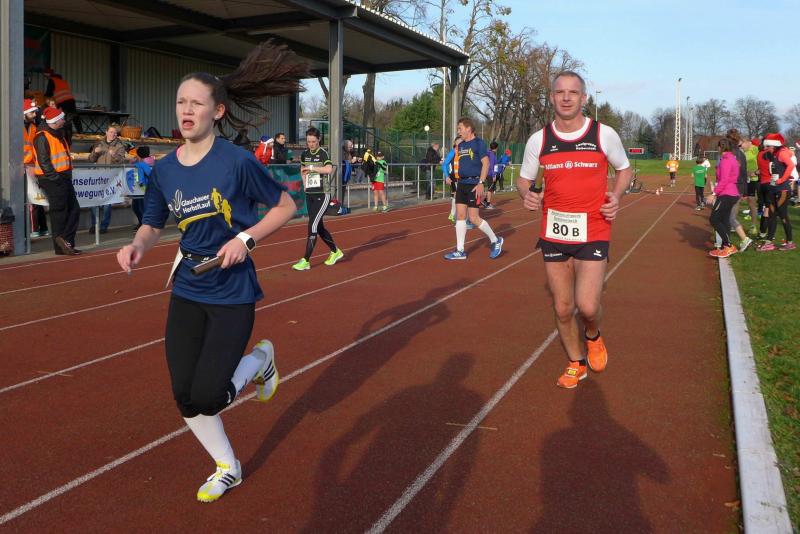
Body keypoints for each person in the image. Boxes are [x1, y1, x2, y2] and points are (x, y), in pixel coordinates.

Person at [115, 41, 306, 503]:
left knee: (209, 395)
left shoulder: (236, 161)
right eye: (181, 102)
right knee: (185, 395)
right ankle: (227, 467)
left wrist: (245, 240)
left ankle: (259, 362)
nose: (186, 110)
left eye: (196, 103)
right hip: (187, 287)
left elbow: (285, 206)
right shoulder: (164, 170)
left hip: (232, 293)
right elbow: (152, 223)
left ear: (217, 111)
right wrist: (136, 246)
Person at [517, 70, 632, 389]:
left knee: (588, 306)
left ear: (583, 98)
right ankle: (575, 362)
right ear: (551, 97)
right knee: (563, 307)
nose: (566, 98)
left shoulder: (603, 134)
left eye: (573, 92)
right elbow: (524, 180)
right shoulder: (539, 139)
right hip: (554, 232)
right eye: (560, 92)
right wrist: (527, 194)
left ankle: (592, 335)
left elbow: (624, 169)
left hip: (594, 228)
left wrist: (617, 196)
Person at [444, 117, 503, 260]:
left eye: (460, 128)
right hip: (462, 184)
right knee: (460, 216)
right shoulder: (461, 145)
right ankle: (460, 251)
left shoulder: (479, 143)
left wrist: (481, 182)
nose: (458, 131)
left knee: (474, 217)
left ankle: (495, 240)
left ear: (468, 129)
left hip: (474, 184)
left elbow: (485, 163)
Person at [291, 127, 344, 270]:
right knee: (319, 227)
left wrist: (312, 168)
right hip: (310, 195)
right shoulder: (304, 154)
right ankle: (335, 252)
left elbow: (329, 169)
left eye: (313, 141)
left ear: (319, 140)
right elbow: (302, 170)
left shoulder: (323, 153)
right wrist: (304, 184)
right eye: (308, 141)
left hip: (322, 194)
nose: (311, 144)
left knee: (312, 225)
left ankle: (305, 260)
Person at [32, 106, 81, 255]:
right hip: (52, 179)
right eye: (62, 119)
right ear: (55, 121)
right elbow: (44, 161)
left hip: (62, 177)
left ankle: (64, 243)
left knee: (73, 209)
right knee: (60, 212)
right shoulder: (42, 136)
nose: (64, 121)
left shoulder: (58, 133)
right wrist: (56, 178)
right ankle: (63, 244)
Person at [757, 133, 795, 251]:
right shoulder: (774, 154)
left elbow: (791, 165)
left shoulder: (782, 153)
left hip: (782, 190)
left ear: (774, 145)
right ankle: (769, 242)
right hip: (773, 189)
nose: (766, 148)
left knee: (782, 216)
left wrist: (782, 179)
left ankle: (790, 243)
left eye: (768, 146)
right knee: (772, 215)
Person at [88, 123, 128, 233]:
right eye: (111, 132)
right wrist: (95, 153)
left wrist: (114, 155)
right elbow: (91, 159)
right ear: (106, 132)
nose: (113, 134)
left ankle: (103, 226)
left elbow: (121, 161)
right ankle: (94, 225)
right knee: (94, 202)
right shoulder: (99, 143)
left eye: (115, 133)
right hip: (98, 177)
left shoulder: (119, 146)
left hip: (111, 178)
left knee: (107, 204)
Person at [707, 138, 742, 258]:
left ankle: (728, 245)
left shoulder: (726, 160)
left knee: (714, 219)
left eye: (718, 147)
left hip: (727, 194)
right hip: (730, 193)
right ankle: (724, 247)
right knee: (724, 220)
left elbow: (724, 180)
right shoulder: (732, 158)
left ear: (720, 147)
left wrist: (714, 193)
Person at [24, 98, 49, 238]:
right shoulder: (20, 127)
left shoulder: (33, 127)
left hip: (30, 166)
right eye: (32, 112)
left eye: (35, 112)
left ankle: (37, 229)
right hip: (23, 167)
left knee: (35, 198)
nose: (35, 114)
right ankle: (40, 228)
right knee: (35, 198)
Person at [43, 69, 81, 140]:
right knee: (74, 116)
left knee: (62, 118)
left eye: (45, 76)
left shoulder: (52, 80)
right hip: (71, 100)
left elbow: (49, 93)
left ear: (49, 75)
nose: (46, 78)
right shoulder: (62, 81)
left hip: (62, 101)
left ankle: (64, 135)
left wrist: (44, 99)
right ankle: (81, 132)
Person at [130, 146, 154, 229]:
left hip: (142, 188)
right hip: (138, 189)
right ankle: (142, 223)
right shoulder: (141, 163)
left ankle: (145, 225)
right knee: (136, 207)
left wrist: (142, 184)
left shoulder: (142, 164)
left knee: (140, 207)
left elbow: (149, 173)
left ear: (139, 155)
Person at [441, 136, 461, 223]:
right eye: (458, 142)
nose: (460, 143)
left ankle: (454, 215)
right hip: (454, 177)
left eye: (461, 142)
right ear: (455, 143)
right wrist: (447, 176)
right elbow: (444, 164)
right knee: (456, 196)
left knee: (461, 197)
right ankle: (453, 215)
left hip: (463, 178)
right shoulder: (452, 153)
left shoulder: (464, 152)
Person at [482, 141, 499, 209]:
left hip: (486, 173)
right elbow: (491, 165)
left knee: (489, 188)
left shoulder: (488, 152)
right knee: (490, 189)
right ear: (496, 148)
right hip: (490, 174)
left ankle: (485, 200)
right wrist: (494, 175)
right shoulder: (492, 155)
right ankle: (488, 204)